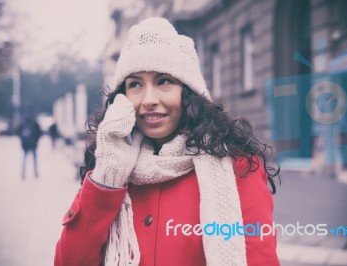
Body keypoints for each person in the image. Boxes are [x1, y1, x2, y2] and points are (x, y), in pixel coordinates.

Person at [55, 17, 280, 265]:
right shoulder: (110, 168)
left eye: (164, 81)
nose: (148, 99)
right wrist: (107, 176)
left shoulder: (239, 168)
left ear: (188, 92)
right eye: (136, 84)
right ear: (122, 97)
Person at [17, 113, 42, 179]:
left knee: (24, 159)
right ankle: (35, 172)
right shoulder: (35, 123)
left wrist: (22, 140)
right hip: (33, 144)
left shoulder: (23, 123)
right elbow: (39, 133)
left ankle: (23, 173)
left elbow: (18, 132)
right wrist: (36, 140)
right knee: (34, 159)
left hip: (26, 144)